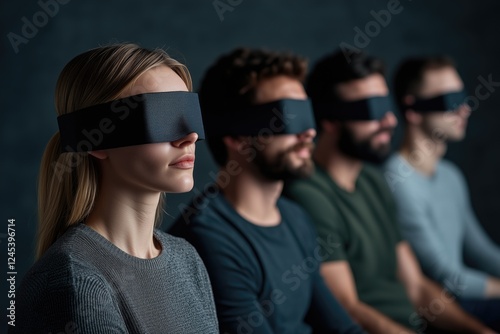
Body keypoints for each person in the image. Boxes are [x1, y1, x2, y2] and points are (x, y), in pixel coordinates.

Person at [12, 43, 218, 334]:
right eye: (161, 117)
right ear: (95, 138)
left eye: (188, 114)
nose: (190, 136)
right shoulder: (76, 283)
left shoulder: (187, 260)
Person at [284, 50, 495, 334]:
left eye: (386, 106)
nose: (390, 121)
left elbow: (417, 287)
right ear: (330, 119)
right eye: (371, 109)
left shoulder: (373, 181)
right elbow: (348, 309)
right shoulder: (309, 193)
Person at [169, 48, 365, 334]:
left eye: (306, 115)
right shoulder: (208, 239)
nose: (309, 133)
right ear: (236, 136)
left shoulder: (296, 217)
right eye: (288, 116)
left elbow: (340, 326)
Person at [383, 55, 500, 330]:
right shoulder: (397, 178)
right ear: (413, 110)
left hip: (472, 298)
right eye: (451, 100)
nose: (465, 109)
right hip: (438, 310)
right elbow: (448, 278)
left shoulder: (450, 176)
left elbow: (481, 250)